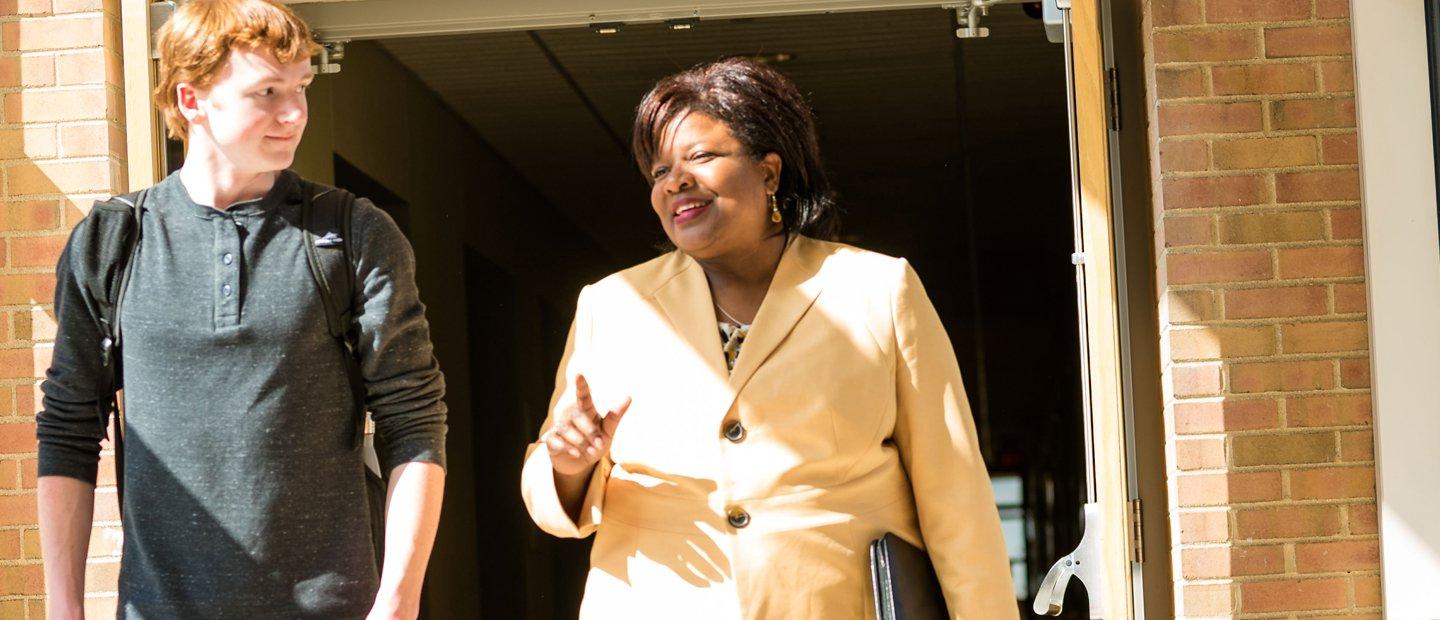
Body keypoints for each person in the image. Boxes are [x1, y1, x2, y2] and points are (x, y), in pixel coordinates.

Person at [519, 57, 1018, 618]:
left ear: (769, 172)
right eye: (658, 171)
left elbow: (955, 494)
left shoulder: (878, 289)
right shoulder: (611, 305)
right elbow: (550, 495)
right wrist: (569, 465)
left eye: (701, 157)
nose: (675, 181)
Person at [34, 1, 447, 617]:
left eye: (301, 86)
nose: (295, 112)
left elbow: (412, 421)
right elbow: (68, 431)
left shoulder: (351, 233)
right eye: (267, 91)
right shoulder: (112, 242)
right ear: (193, 100)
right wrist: (64, 611)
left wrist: (398, 602)